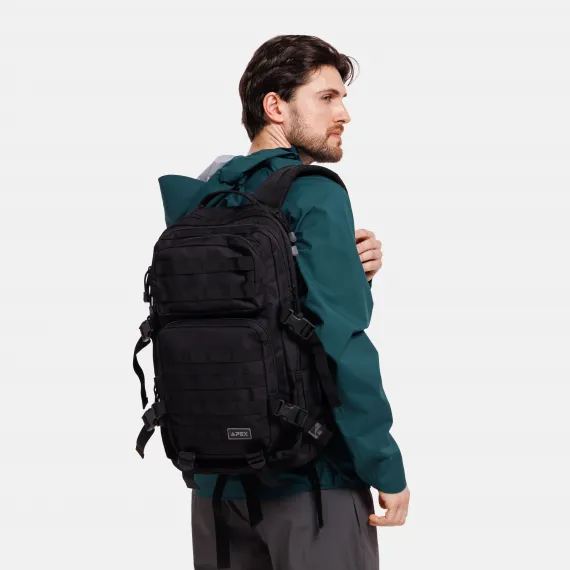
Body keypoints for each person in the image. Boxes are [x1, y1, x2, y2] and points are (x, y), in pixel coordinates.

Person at [160, 34, 410, 570]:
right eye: (327, 98)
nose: (344, 114)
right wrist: (383, 465)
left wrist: (351, 272)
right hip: (312, 483)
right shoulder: (313, 190)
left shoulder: (200, 198)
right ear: (275, 106)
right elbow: (341, 339)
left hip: (214, 485)